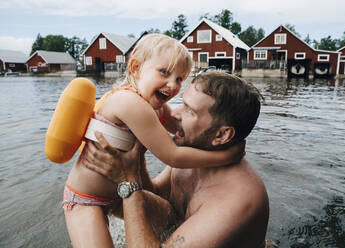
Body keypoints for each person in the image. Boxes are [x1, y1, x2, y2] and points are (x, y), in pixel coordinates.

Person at [63, 34, 242, 247]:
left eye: (179, 79)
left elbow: (183, 128)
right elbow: (173, 156)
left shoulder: (154, 107)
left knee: (172, 223)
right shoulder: (129, 102)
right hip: (86, 199)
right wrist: (226, 155)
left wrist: (219, 133)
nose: (172, 85)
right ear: (136, 68)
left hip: (118, 194)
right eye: (164, 72)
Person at [83, 71, 270, 247]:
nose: (174, 113)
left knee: (127, 191)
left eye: (190, 110)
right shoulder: (191, 154)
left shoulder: (235, 200)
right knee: (107, 194)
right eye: (182, 103)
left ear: (222, 135)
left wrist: (129, 182)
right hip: (180, 228)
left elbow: (135, 190)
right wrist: (136, 160)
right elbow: (157, 192)